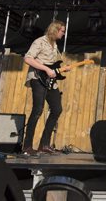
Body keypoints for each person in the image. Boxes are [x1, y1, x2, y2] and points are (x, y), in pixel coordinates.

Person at [22, 20, 67, 156]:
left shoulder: (55, 46)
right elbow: (28, 59)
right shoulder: (40, 41)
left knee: (57, 109)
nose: (64, 33)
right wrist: (47, 69)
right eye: (62, 31)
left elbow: (53, 66)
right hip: (38, 78)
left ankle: (44, 144)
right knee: (38, 110)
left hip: (50, 81)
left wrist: (61, 70)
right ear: (55, 30)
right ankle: (27, 146)